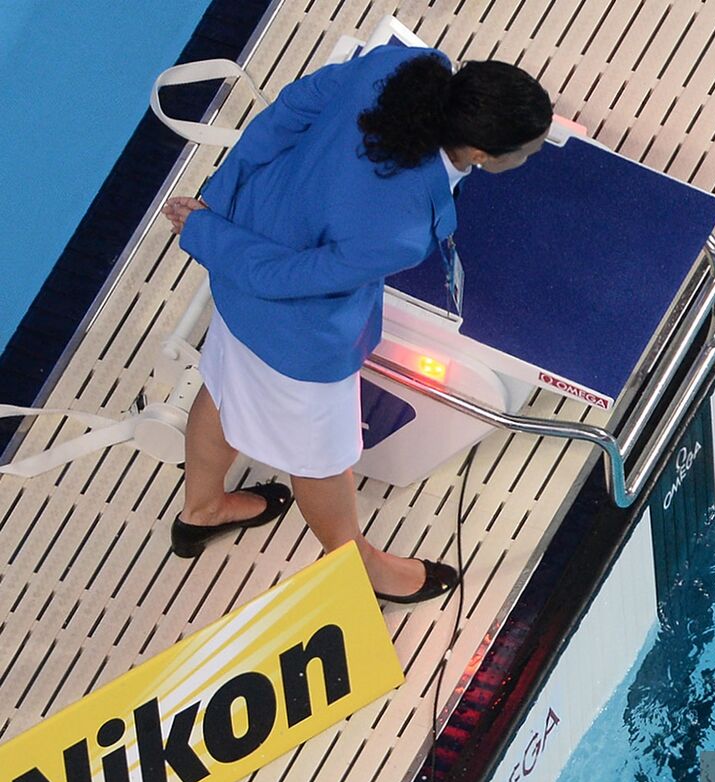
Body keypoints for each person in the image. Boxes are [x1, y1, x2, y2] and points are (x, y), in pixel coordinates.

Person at [162, 46, 553, 604]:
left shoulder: (403, 67)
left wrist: (218, 206)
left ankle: (202, 508)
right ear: (485, 154)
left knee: (225, 388)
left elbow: (291, 110)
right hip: (292, 336)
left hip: (240, 265)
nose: (534, 153)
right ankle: (358, 564)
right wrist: (205, 234)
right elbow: (289, 276)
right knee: (322, 463)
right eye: (529, 149)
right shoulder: (399, 226)